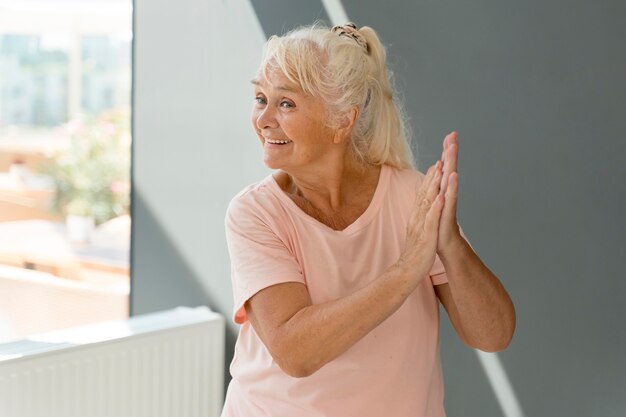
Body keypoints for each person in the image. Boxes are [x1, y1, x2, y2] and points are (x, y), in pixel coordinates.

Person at [221, 22, 515, 417]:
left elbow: (493, 334)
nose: (263, 119)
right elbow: (295, 351)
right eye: (260, 99)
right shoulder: (255, 213)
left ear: (342, 121)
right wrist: (407, 269)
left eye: (286, 103)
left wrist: (451, 244)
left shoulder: (413, 197)